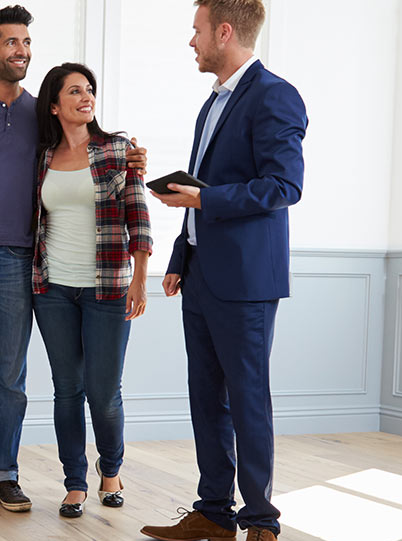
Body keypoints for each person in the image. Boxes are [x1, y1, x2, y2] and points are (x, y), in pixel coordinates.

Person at [0, 5, 149, 513]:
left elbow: (87, 152)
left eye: (26, 42)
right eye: (11, 42)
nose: (21, 50)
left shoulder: (40, 115)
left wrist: (131, 156)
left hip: (19, 261)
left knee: (11, 377)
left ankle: (4, 474)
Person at [139, 1, 306, 540]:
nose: (192, 41)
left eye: (197, 31)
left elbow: (284, 186)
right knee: (206, 396)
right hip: (201, 275)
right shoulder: (211, 104)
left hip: (246, 280)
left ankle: (261, 521)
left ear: (225, 32)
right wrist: (178, 258)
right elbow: (199, 189)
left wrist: (203, 203)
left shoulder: (275, 95)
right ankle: (214, 512)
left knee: (247, 397)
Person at [31, 63, 151, 518]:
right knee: (67, 389)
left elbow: (138, 217)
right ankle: (75, 482)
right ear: (56, 104)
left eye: (90, 90)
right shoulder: (41, 157)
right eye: (75, 91)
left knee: (103, 392)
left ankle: (112, 470)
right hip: (53, 289)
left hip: (108, 289)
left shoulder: (118, 150)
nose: (86, 97)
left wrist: (139, 278)